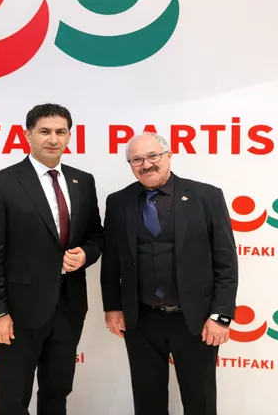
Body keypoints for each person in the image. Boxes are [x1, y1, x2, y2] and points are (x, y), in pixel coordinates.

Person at [0, 103, 104, 415]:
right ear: (28, 135)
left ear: (69, 136)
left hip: (69, 307)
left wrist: (86, 254)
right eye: (44, 131)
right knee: (13, 397)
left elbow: (95, 234)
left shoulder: (83, 181)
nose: (53, 139)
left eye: (61, 132)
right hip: (17, 311)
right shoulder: (0, 183)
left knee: (57, 392)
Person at [100, 132, 239, 415]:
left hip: (196, 320)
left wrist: (221, 315)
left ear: (169, 156)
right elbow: (111, 261)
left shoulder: (207, 196)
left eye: (153, 156)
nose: (146, 164)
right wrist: (112, 307)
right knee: (147, 402)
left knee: (200, 401)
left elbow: (226, 262)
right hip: (141, 321)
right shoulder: (118, 202)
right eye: (137, 159)